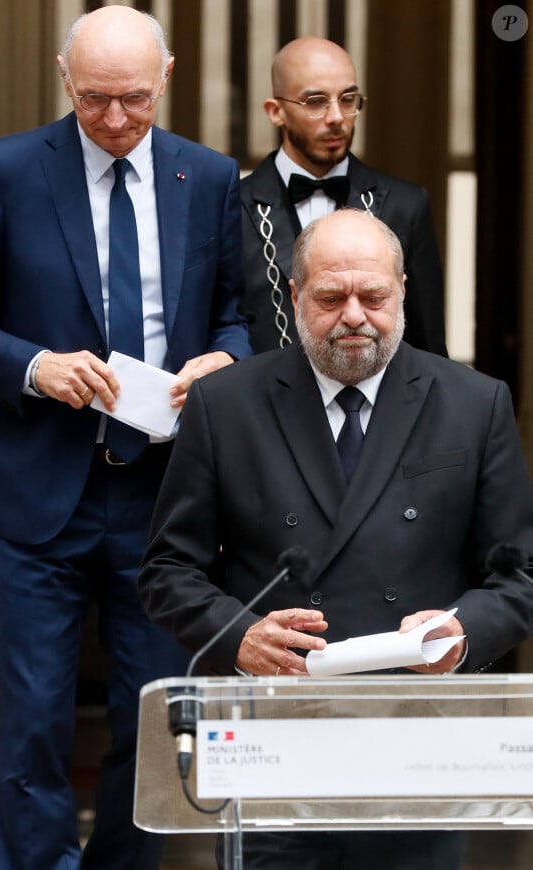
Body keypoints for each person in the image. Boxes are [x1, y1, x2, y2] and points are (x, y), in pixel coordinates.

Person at [139, 209, 533, 870]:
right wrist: (240, 635)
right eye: (330, 298)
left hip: (417, 735)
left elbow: (521, 573)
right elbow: (168, 569)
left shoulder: (474, 403)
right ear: (294, 297)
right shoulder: (226, 404)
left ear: (403, 291)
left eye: (373, 297)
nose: (354, 315)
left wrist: (463, 631)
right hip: (277, 736)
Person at [0, 6, 251, 870]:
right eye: (94, 101)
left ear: (166, 77)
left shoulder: (210, 175)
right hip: (38, 489)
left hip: (165, 493)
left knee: (153, 714)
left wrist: (223, 362)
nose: (115, 121)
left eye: (132, 99)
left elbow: (238, 317)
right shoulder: (3, 171)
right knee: (37, 720)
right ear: (61, 76)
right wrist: (36, 365)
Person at [241, 36, 447, 357]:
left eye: (348, 99)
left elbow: (428, 347)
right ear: (275, 112)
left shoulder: (406, 206)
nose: (337, 116)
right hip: (262, 402)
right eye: (316, 102)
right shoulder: (231, 205)